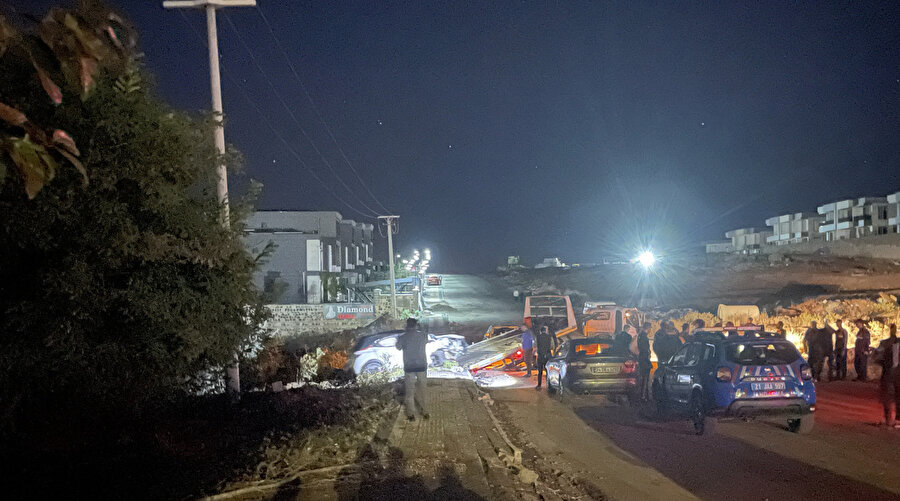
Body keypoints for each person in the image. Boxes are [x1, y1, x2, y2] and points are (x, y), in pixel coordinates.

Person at [396, 318, 429, 421]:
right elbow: (426, 340)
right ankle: (425, 412)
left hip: (409, 367)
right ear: (416, 325)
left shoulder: (403, 337)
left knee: (410, 392)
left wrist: (403, 335)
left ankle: (411, 415)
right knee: (423, 390)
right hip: (421, 366)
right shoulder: (423, 335)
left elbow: (398, 347)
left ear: (407, 325)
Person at [874, 324, 900, 427]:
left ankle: (889, 418)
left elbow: (876, 356)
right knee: (891, 396)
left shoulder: (884, 343)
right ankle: (891, 419)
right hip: (893, 373)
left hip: (890, 373)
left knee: (888, 396)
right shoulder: (886, 343)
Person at [535, 325, 557, 390]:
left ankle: (539, 385)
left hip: (540, 356)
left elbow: (536, 346)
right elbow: (552, 346)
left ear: (540, 331)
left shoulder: (538, 337)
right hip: (547, 355)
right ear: (545, 331)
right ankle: (549, 385)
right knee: (548, 371)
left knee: (540, 371)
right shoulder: (549, 337)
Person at [637, 323, 652, 401]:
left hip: (642, 359)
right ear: (648, 328)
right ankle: (643, 396)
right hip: (644, 360)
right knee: (645, 379)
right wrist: (648, 354)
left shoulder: (641, 336)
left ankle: (644, 395)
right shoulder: (644, 337)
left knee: (643, 378)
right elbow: (644, 349)